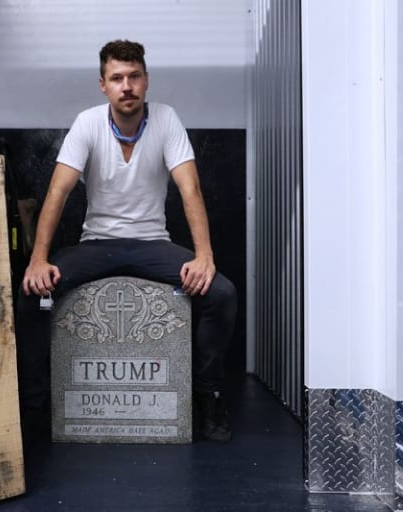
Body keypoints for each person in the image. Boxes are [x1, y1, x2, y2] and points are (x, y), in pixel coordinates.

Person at [16, 39, 237, 443]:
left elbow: (190, 190)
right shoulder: (88, 123)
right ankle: (33, 406)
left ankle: (210, 396)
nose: (127, 86)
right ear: (103, 85)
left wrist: (204, 256)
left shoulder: (167, 120)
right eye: (117, 78)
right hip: (97, 244)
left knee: (220, 293)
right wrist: (38, 259)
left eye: (134, 76)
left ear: (146, 80)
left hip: (153, 243)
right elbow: (58, 192)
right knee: (31, 292)